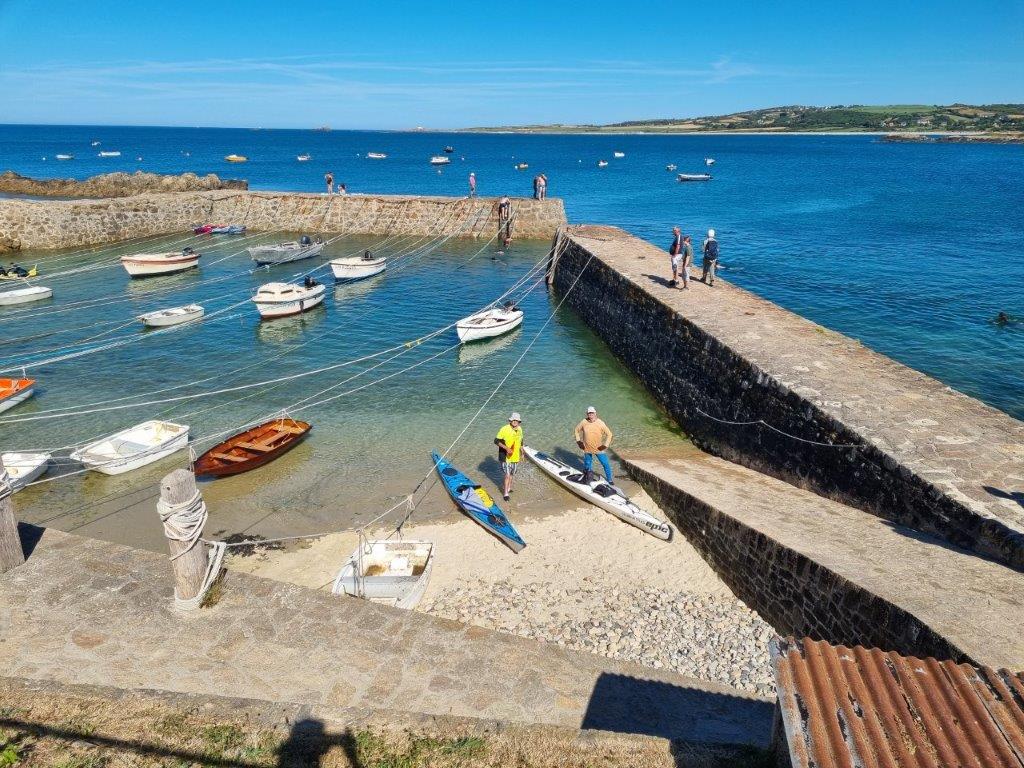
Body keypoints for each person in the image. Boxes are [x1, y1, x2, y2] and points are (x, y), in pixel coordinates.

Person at [574, 406, 614, 483]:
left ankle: (609, 480)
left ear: (595, 413)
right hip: (587, 448)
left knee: (605, 464)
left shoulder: (601, 423)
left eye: (592, 413)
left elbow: (609, 434)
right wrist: (579, 442)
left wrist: (605, 445)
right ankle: (588, 476)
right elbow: (576, 430)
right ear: (587, 414)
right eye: (589, 413)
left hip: (598, 449)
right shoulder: (583, 422)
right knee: (587, 464)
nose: (591, 414)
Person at [494, 412, 524, 501]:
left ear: (519, 422)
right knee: (507, 475)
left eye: (517, 420)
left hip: (515, 456)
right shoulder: (504, 429)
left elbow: (521, 440)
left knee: (511, 474)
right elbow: (496, 441)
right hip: (506, 456)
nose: (515, 421)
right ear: (510, 420)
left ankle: (509, 488)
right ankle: (505, 494)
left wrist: (522, 453)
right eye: (513, 420)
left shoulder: (520, 429)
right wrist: (506, 448)